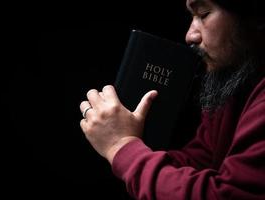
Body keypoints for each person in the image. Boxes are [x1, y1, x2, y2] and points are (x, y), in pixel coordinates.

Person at [79, 0, 265, 199]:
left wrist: (121, 147)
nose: (190, 36)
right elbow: (203, 159)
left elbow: (227, 195)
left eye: (203, 14)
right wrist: (121, 138)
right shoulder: (236, 82)